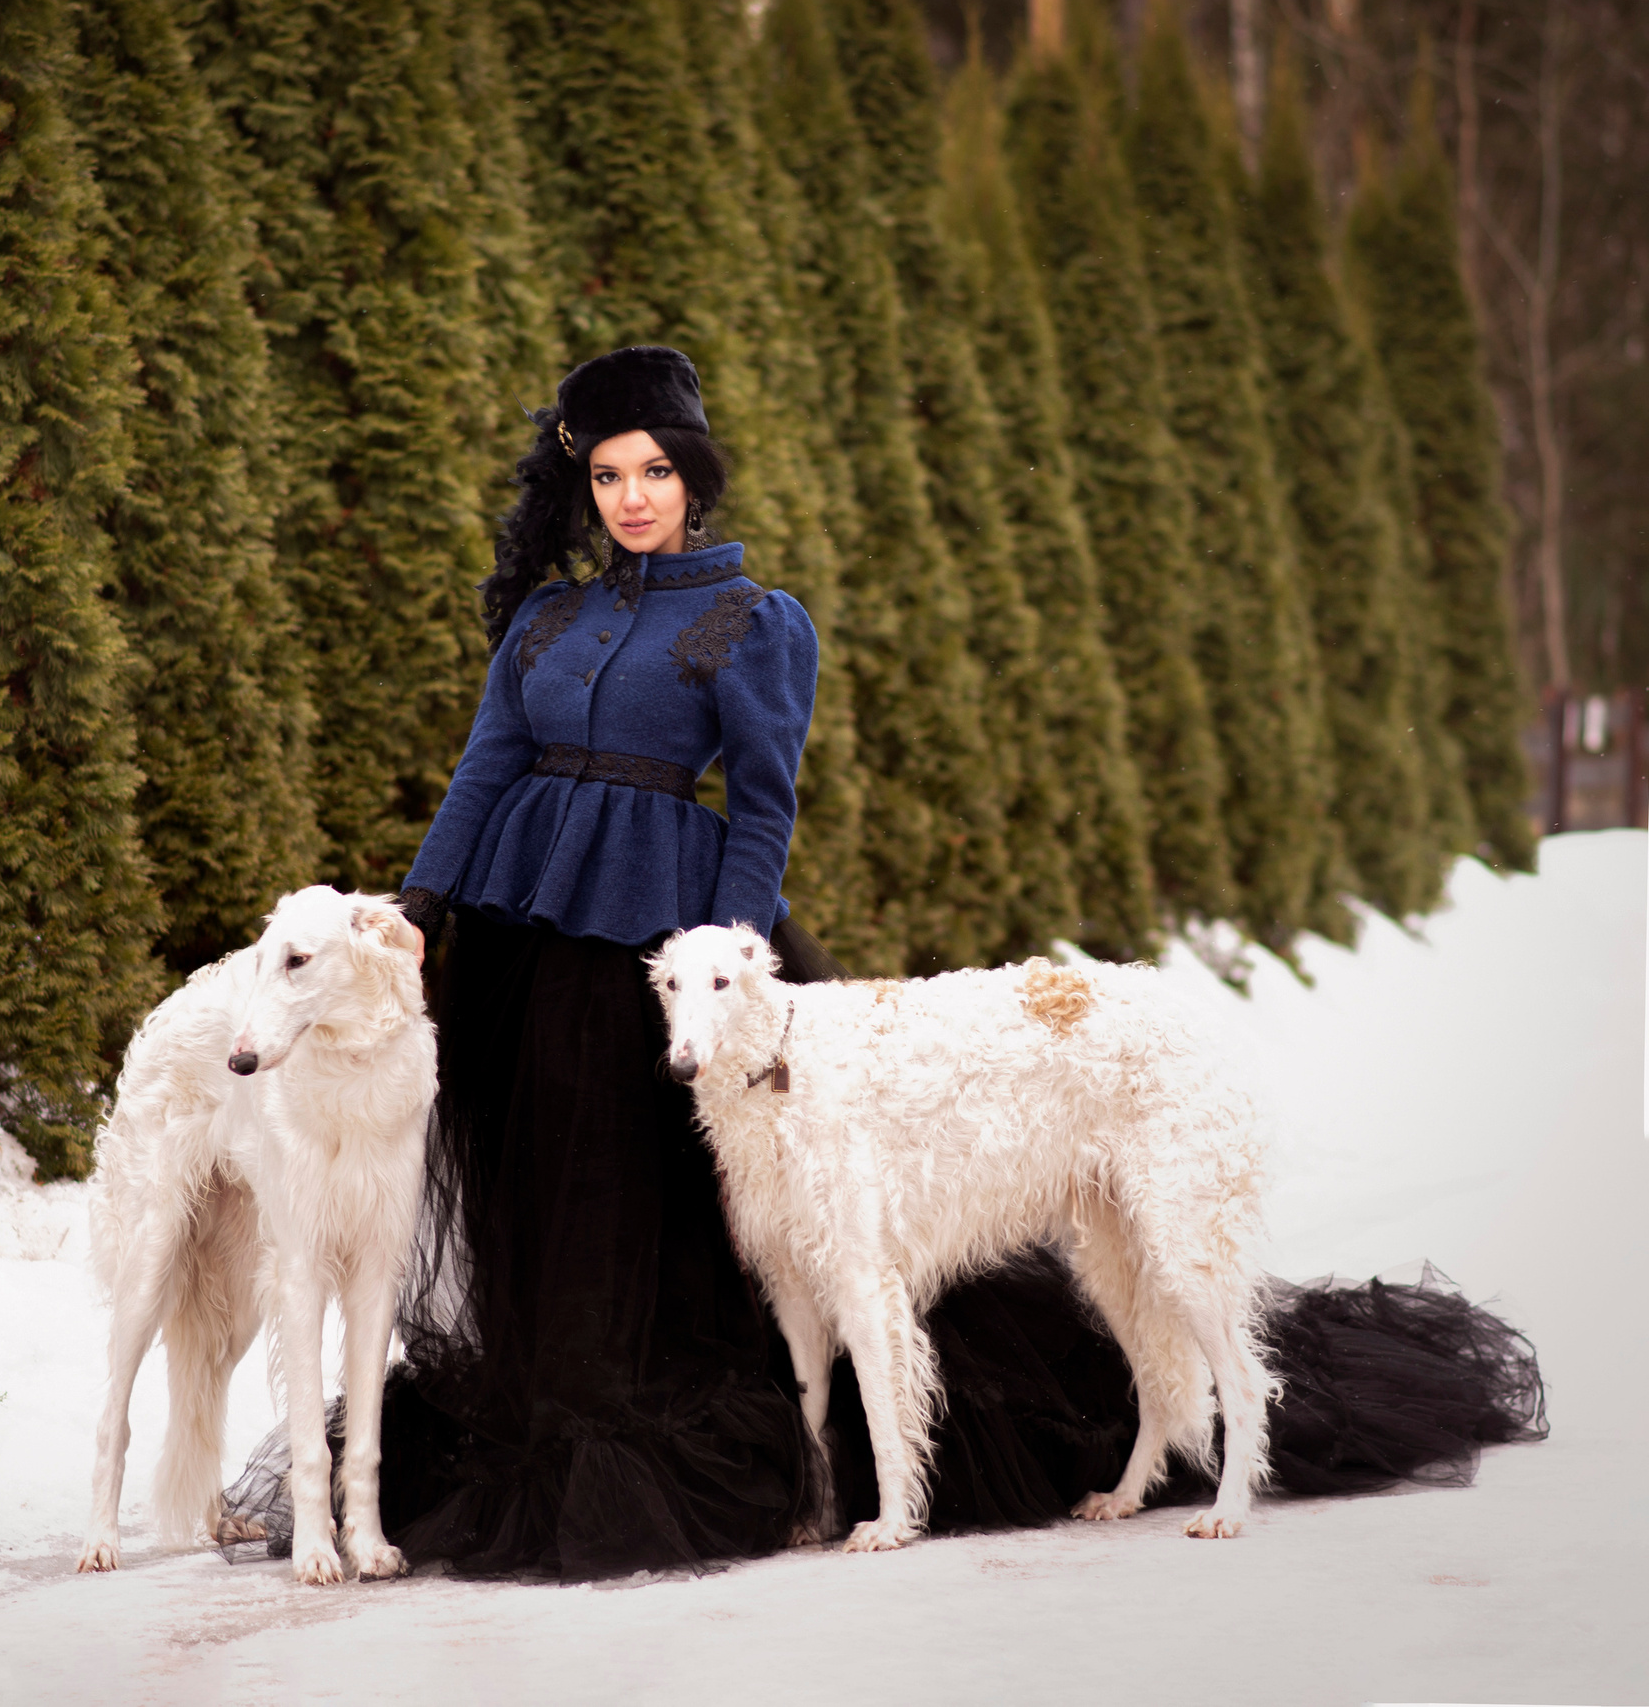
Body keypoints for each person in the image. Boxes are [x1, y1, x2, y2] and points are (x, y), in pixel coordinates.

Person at [225, 346, 1545, 1581]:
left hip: (680, 943)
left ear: (694, 477)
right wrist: (420, 901)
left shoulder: (749, 619)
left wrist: (731, 955)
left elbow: (761, 801)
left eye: (657, 471)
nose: (633, 496)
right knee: (558, 1202)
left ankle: (761, 1439)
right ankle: (561, 1413)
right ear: (586, 484)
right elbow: (487, 766)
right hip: (528, 943)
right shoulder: (546, 620)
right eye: (610, 474)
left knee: (710, 1212)